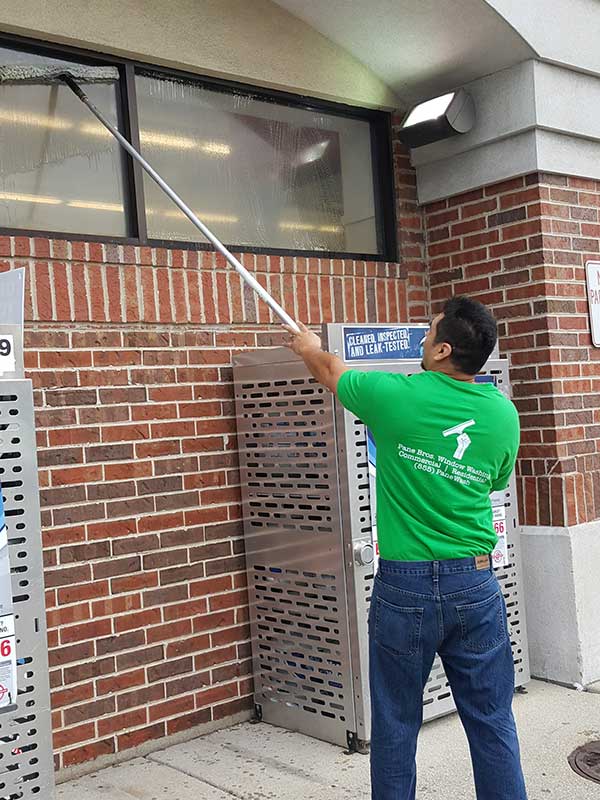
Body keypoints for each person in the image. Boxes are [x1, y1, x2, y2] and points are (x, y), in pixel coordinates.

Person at [285, 296, 527, 800]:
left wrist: (307, 346)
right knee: (491, 718)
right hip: (475, 583)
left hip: (405, 587)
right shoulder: (503, 414)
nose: (420, 339)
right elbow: (495, 479)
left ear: (442, 350)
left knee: (395, 724)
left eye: (428, 332)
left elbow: (329, 370)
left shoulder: (395, 396)